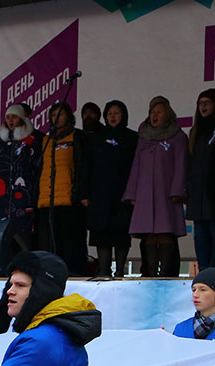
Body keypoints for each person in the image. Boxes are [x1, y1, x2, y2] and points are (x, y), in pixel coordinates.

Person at [123, 96, 188, 277]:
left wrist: (178, 190)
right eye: (152, 112)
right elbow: (136, 165)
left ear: (168, 114)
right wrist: (132, 193)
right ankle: (151, 273)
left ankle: (166, 274)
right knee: (148, 235)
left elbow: (181, 164)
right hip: (145, 193)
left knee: (165, 232)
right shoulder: (143, 136)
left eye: (159, 112)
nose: (155, 115)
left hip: (166, 193)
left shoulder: (177, 135)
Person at [36, 102, 91, 275]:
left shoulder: (77, 136)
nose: (56, 118)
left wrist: (82, 193)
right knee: (51, 243)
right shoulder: (45, 140)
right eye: (53, 115)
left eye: (60, 114)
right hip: (47, 199)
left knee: (71, 242)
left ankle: (75, 273)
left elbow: (83, 166)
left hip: (70, 199)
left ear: (69, 116)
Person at [87, 100, 138, 277]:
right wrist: (85, 193)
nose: (113, 116)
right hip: (100, 194)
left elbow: (137, 167)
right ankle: (104, 269)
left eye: (117, 113)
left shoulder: (133, 138)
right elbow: (88, 167)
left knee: (121, 234)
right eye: (110, 113)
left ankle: (119, 270)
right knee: (102, 234)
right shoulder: (96, 138)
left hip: (123, 194)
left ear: (123, 115)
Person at [0, 104, 41, 249]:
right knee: (1, 239)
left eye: (14, 117)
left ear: (22, 119)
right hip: (1, 199)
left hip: (23, 197)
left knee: (24, 238)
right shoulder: (0, 142)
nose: (10, 120)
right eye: (8, 117)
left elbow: (37, 168)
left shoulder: (33, 140)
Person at [186, 90, 215, 273]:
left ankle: (213, 268)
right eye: (200, 103)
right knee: (200, 229)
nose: (203, 106)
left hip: (214, 187)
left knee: (214, 228)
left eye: (207, 102)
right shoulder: (195, 131)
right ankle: (203, 268)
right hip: (197, 188)